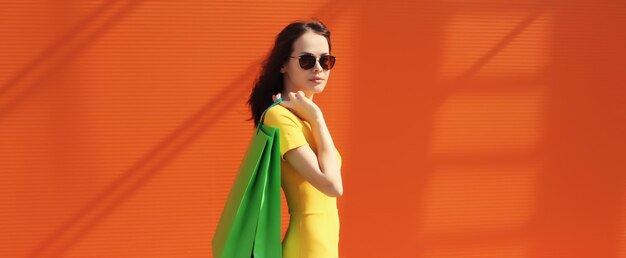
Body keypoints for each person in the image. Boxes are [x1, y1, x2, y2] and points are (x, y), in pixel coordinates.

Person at [247, 20, 343, 258]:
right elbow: (332, 185)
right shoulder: (279, 116)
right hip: (308, 243)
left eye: (326, 60)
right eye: (307, 60)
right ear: (283, 65)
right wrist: (318, 118)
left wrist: (314, 118)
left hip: (324, 241)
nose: (318, 68)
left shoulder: (304, 117)